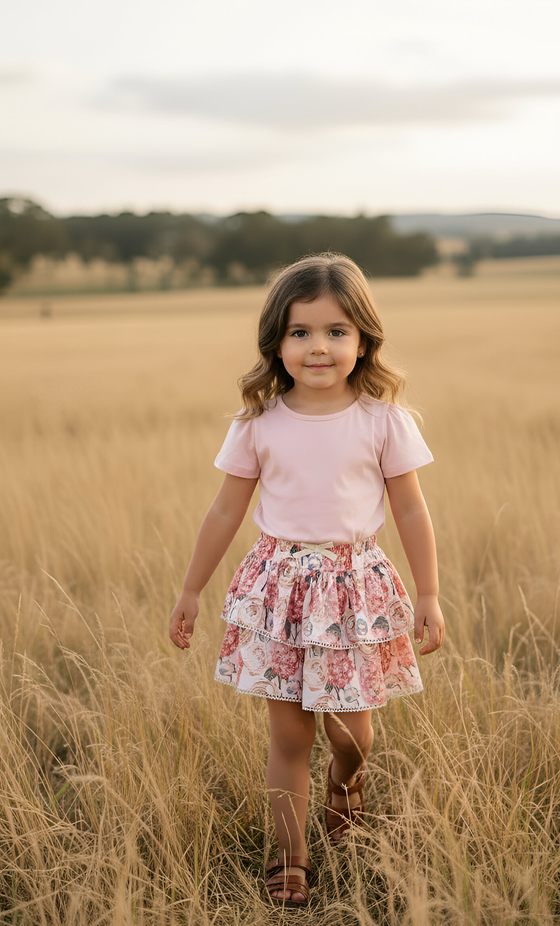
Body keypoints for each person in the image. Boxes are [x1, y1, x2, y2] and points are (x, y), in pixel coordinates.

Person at [169, 252, 445, 907]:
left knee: (352, 737)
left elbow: (411, 509)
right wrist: (191, 589)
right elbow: (225, 511)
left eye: (335, 331)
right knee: (290, 736)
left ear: (363, 341)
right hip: (279, 590)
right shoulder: (258, 423)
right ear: (277, 343)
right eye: (301, 332)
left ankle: (346, 784)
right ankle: (290, 856)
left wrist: (429, 593)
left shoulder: (383, 421)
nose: (318, 346)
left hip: (354, 589)